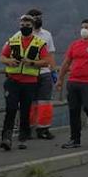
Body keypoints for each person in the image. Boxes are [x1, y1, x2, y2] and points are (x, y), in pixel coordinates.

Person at [0, 14, 51, 151]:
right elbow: (2, 57)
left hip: (30, 82)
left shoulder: (39, 43)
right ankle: (6, 138)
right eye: (22, 25)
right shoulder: (13, 40)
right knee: (10, 109)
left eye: (27, 26)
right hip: (13, 80)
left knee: (26, 111)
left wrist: (32, 62)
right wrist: (9, 61)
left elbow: (46, 61)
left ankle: (23, 138)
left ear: (32, 27)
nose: (24, 28)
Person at [56, 19, 88, 149]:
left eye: (86, 27)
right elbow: (67, 62)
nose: (83, 30)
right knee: (73, 110)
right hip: (73, 81)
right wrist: (60, 78)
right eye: (82, 27)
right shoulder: (75, 45)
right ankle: (75, 139)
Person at [26, 8, 57, 139]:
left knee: (45, 102)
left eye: (39, 17)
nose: (38, 19)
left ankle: (43, 128)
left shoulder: (47, 35)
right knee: (29, 102)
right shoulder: (23, 34)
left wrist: (53, 71)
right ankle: (28, 128)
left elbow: (50, 54)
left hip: (44, 72)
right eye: (35, 17)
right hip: (29, 72)